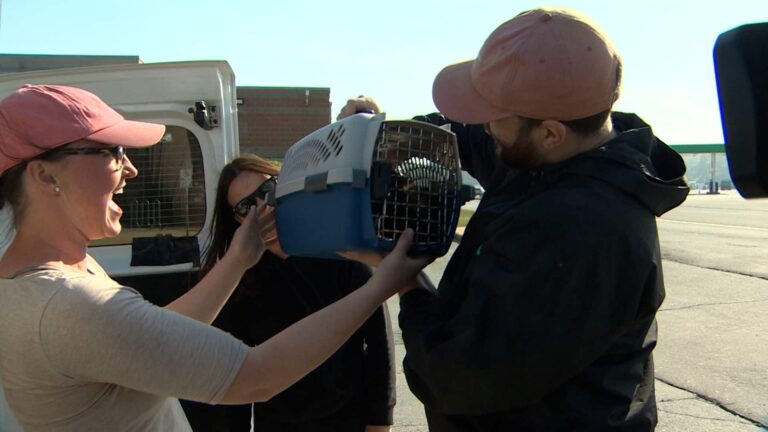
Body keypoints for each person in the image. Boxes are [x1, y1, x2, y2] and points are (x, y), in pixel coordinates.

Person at [0, 84, 430, 431]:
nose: (129, 168)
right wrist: (381, 286)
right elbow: (253, 376)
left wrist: (237, 260)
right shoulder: (66, 304)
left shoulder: (56, 275)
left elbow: (158, 337)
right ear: (43, 174)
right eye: (110, 151)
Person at [340, 7, 690, 431]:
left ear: (550, 132)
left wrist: (407, 284)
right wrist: (385, 136)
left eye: (492, 116)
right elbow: (459, 137)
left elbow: (458, 377)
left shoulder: (581, 234)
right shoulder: (553, 155)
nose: (482, 126)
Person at [181, 154, 395, 432]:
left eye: (266, 192)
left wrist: (379, 422)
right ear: (236, 219)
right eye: (246, 206)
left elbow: (379, 341)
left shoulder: (338, 250)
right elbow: (232, 372)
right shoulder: (239, 281)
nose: (261, 208)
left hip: (347, 419)